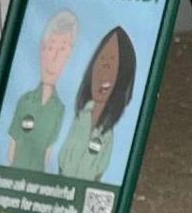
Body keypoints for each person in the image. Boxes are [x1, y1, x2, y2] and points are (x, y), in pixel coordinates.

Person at [57, 26, 137, 184]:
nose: (103, 72)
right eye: (101, 61)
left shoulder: (107, 135)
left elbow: (97, 177)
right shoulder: (79, 119)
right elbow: (63, 161)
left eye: (111, 65)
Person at [4, 9, 78, 171]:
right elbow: (11, 152)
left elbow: (48, 155)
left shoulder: (59, 109)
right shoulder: (25, 101)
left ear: (68, 57)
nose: (54, 59)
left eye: (62, 51)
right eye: (50, 48)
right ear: (41, 50)